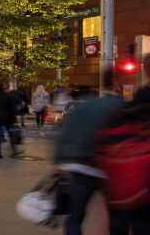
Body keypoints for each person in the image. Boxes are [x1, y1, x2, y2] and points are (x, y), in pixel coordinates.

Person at [53, 89, 124, 235]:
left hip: (80, 167)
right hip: (109, 168)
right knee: (117, 214)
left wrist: (58, 160)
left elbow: (64, 134)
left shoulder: (82, 108)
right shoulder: (120, 106)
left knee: (76, 214)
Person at [94, 86, 150, 235]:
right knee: (143, 224)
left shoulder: (121, 113)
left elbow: (102, 145)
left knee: (118, 221)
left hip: (118, 187)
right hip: (144, 189)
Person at [0, 83, 20, 159]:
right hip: (7, 119)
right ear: (6, 89)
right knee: (11, 135)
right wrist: (15, 118)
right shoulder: (8, 96)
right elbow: (12, 108)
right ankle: (14, 151)